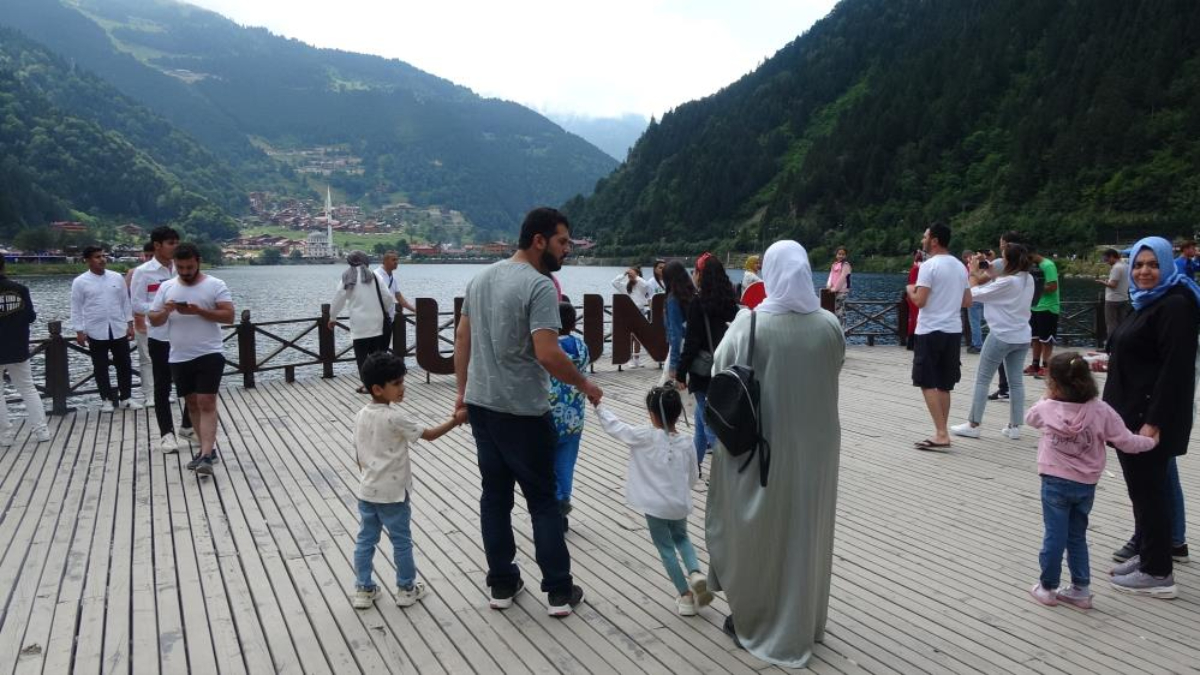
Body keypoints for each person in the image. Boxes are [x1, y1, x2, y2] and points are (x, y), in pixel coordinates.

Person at [454, 206, 602, 617]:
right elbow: (548, 353)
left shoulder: (480, 279)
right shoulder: (540, 286)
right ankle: (558, 591)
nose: (567, 249)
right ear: (539, 241)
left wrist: (462, 394)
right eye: (562, 241)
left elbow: (462, 338)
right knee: (543, 502)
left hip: (482, 407)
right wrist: (586, 384)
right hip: (524, 412)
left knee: (495, 498)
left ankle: (502, 584)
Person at [706, 240, 844, 668]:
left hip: (764, 449)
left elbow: (720, 371)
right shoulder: (829, 326)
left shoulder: (751, 324)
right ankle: (805, 621)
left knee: (758, 532)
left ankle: (761, 620)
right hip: (818, 449)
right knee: (805, 532)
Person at [1105, 236, 1198, 598]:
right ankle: (1148, 554)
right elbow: (1140, 351)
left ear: (1168, 265)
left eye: (1154, 264)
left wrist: (1153, 421)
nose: (1145, 271)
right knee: (1142, 491)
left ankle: (1158, 572)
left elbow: (1175, 370)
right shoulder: (1148, 300)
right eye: (1139, 265)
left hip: (1147, 417)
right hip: (1130, 412)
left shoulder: (1175, 305)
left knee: (1151, 494)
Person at [1025, 352, 1157, 609]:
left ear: (1053, 384)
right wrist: (1150, 442)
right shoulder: (1100, 410)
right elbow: (1126, 441)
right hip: (1085, 483)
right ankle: (1081, 589)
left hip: (1054, 481)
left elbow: (1030, 419)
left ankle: (1047, 587)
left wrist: (1047, 397)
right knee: (1076, 536)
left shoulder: (1046, 408)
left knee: (1054, 536)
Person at [351, 352, 465, 610]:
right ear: (378, 389)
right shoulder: (394, 417)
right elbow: (430, 435)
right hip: (394, 494)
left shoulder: (360, 415)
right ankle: (406, 588)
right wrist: (455, 420)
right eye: (397, 383)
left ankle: (363, 589)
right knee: (401, 541)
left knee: (365, 540)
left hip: (367, 491)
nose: (403, 388)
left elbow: (357, 454)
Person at [594, 386, 711, 616]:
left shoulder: (644, 436)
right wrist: (683, 490)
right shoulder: (687, 442)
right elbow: (693, 475)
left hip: (654, 506)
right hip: (679, 504)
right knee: (682, 538)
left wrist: (599, 407)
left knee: (666, 548)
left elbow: (616, 427)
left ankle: (686, 597)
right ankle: (695, 572)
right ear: (679, 413)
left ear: (651, 414)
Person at [148, 243, 235, 477]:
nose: (185, 272)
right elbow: (154, 320)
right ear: (174, 265)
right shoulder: (166, 287)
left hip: (209, 352)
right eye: (181, 267)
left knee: (207, 401)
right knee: (193, 403)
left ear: (198, 262)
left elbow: (229, 316)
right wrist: (166, 311)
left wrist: (199, 311)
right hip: (179, 355)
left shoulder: (215, 284)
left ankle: (205, 454)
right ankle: (207, 449)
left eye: (190, 267)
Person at [950, 244, 1035, 440]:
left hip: (1001, 334)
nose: (999, 261)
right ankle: (1015, 426)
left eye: (1002, 258)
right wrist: (987, 267)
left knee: (983, 379)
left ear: (1008, 262)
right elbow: (999, 278)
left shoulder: (1007, 282)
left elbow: (972, 294)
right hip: (1022, 336)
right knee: (1016, 382)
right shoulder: (1027, 278)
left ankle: (973, 424)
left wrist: (973, 271)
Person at [906, 223, 971, 449]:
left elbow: (920, 301)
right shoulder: (960, 266)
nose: (923, 240)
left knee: (926, 381)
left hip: (930, 329)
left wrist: (910, 289)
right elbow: (967, 301)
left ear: (934, 240)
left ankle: (941, 433)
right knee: (944, 384)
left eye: (925, 237)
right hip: (953, 330)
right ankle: (941, 431)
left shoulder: (928, 266)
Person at [130, 226, 193, 452]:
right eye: (170, 243)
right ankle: (167, 434)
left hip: (185, 332)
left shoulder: (183, 268)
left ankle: (188, 425)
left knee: (192, 383)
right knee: (162, 386)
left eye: (177, 242)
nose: (175, 246)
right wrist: (160, 307)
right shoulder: (143, 272)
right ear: (157, 245)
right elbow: (136, 304)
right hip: (159, 336)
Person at [677, 253, 739, 467]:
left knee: (709, 426)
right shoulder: (730, 302)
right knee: (701, 425)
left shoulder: (698, 303)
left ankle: (727, 474)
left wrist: (680, 373)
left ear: (700, 275)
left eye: (695, 272)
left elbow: (692, 343)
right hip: (727, 367)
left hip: (704, 372)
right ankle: (693, 470)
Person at [71, 245, 139, 412]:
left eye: (103, 256)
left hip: (118, 327)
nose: (102, 259)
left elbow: (125, 302)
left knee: (124, 364)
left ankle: (126, 398)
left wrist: (130, 324)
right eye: (97, 257)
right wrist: (79, 331)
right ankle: (106, 399)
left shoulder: (116, 277)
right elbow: (76, 307)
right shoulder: (80, 282)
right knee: (100, 367)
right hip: (95, 329)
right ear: (87, 260)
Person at [549, 299, 590, 530]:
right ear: (574, 323)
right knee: (566, 465)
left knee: (546, 465)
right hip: (574, 416)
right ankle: (562, 504)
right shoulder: (582, 347)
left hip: (549, 415)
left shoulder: (549, 348)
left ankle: (552, 509)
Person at [330, 251, 395, 393]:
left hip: (359, 325)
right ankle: (378, 384)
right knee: (377, 357)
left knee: (362, 357)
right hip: (377, 323)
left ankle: (368, 385)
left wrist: (332, 317)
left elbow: (339, 298)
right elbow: (388, 298)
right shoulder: (375, 276)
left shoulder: (347, 277)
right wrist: (380, 310)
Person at [0, 257, 49, 446]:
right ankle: (41, 430)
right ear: (4, 266)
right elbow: (30, 317)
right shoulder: (21, 289)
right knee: (28, 388)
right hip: (17, 345)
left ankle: (5, 435)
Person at [127, 241, 155, 406]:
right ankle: (148, 394)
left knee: (164, 359)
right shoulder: (134, 273)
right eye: (147, 256)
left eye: (152, 256)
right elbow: (126, 300)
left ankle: (163, 391)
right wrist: (130, 322)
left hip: (162, 324)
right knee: (146, 360)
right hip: (141, 322)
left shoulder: (167, 271)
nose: (149, 259)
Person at [1025, 247, 1060, 378]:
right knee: (1035, 338)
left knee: (1046, 339)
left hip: (1048, 307)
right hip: (1035, 306)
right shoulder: (1033, 266)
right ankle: (1035, 365)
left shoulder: (1048, 265)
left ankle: (1047, 366)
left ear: (1034, 254)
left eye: (1029, 258)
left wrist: (1035, 287)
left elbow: (1053, 287)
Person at [611, 265, 653, 367]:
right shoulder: (625, 286)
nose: (630, 275)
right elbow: (614, 282)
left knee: (638, 337)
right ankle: (629, 358)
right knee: (630, 336)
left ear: (638, 275)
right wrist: (624, 274)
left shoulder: (642, 286)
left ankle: (636, 359)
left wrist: (636, 276)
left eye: (632, 273)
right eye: (629, 274)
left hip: (640, 312)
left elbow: (646, 285)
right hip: (628, 313)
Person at [661, 261, 694, 386]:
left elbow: (675, 332)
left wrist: (673, 364)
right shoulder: (692, 294)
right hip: (691, 345)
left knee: (668, 388)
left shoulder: (673, 299)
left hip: (678, 347)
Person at [1096, 248, 1131, 348]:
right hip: (1124, 298)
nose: (1106, 262)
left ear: (1112, 256)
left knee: (1111, 324)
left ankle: (1111, 346)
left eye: (1107, 259)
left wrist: (1102, 282)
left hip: (1112, 300)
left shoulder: (1116, 267)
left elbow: (1113, 285)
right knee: (1122, 323)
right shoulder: (1126, 266)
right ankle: (1122, 345)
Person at [376, 250, 418, 318]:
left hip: (389, 316)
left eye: (397, 260)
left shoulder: (393, 277)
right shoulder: (376, 275)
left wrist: (415, 310)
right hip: (378, 316)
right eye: (393, 260)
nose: (396, 262)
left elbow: (399, 297)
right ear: (385, 261)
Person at [962, 249, 984, 354]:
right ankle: (981, 342)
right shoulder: (983, 265)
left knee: (975, 323)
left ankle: (977, 344)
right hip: (983, 295)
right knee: (982, 322)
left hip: (973, 296)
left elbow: (966, 282)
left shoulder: (970, 267)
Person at [825, 247, 852, 329]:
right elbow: (831, 275)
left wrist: (835, 289)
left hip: (842, 290)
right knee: (835, 310)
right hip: (833, 291)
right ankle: (836, 328)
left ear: (846, 256)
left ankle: (841, 329)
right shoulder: (834, 264)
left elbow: (843, 278)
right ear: (836, 255)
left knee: (840, 311)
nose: (841, 256)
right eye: (839, 254)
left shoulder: (846, 265)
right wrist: (828, 285)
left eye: (843, 254)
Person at [904, 250, 923, 351]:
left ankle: (911, 343)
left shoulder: (916, 267)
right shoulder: (916, 268)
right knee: (915, 319)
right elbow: (913, 284)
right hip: (914, 295)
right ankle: (912, 343)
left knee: (914, 319)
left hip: (914, 295)